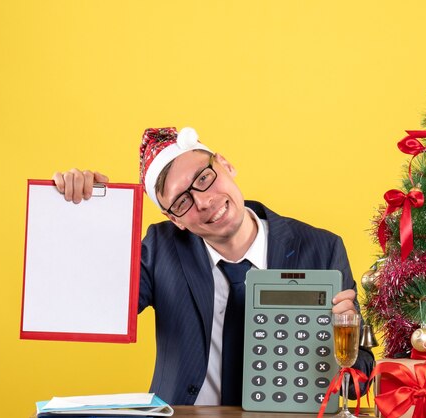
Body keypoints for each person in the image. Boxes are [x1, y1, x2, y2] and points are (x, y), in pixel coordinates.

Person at [53, 126, 374, 406]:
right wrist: (85, 213)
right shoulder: (161, 248)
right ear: (173, 219)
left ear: (225, 164)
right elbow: (97, 309)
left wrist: (336, 343)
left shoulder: (321, 249)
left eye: (204, 178)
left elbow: (358, 383)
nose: (203, 202)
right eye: (182, 202)